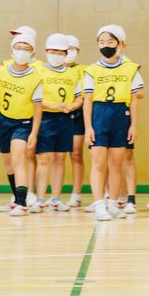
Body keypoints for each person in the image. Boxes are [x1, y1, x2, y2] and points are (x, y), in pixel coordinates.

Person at [83, 25, 142, 221]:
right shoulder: (92, 70)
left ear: (119, 43)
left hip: (121, 115)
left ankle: (113, 203)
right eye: (102, 42)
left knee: (116, 163)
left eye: (110, 42)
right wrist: (88, 127)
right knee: (99, 162)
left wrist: (134, 125)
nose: (105, 45)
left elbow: (134, 99)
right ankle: (99, 204)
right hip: (99, 115)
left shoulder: (130, 69)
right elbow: (88, 100)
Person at [0, 33, 43, 216]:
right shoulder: (1, 71)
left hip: (24, 122)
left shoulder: (35, 78)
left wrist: (34, 132)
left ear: (32, 52)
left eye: (26, 49)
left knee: (18, 159)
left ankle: (22, 202)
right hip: (4, 120)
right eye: (19, 48)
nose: (22, 52)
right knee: (8, 162)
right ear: (11, 50)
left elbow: (38, 107)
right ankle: (16, 198)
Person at [33, 34, 82, 213]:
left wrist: (73, 106)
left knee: (61, 159)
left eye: (60, 52)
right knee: (45, 159)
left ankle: (55, 198)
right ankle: (40, 199)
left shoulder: (72, 73)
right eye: (53, 51)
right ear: (46, 51)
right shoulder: (38, 71)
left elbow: (79, 97)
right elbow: (34, 97)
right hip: (45, 118)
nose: (56, 55)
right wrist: (51, 105)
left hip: (65, 119)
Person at [64, 35, 87, 209]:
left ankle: (76, 193)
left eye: (73, 49)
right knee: (54, 156)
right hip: (56, 112)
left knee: (76, 153)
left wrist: (74, 106)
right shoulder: (50, 70)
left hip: (79, 113)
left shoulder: (85, 70)